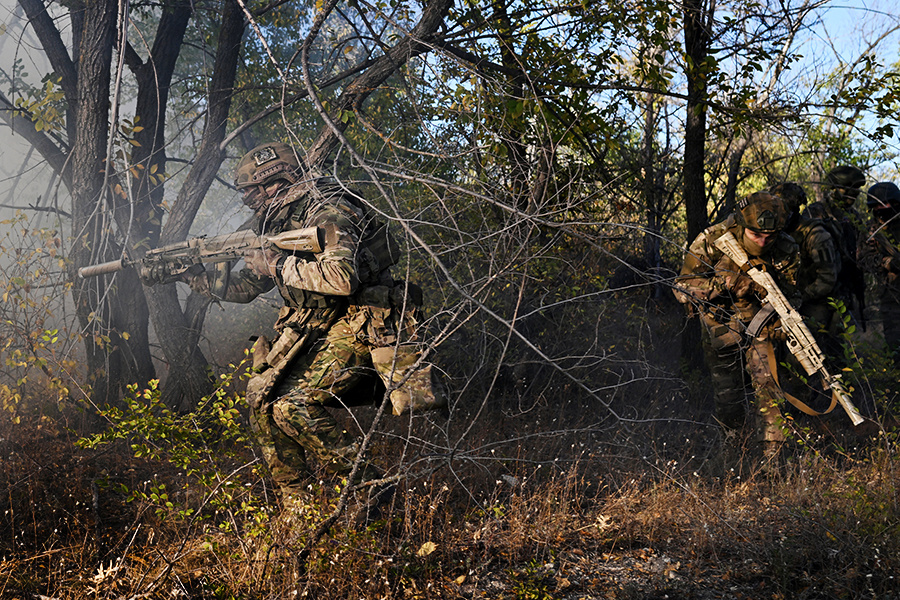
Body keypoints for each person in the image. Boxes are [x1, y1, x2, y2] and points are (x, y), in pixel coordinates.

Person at [148, 142, 443, 498]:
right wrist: (191, 275)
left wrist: (276, 265)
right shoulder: (279, 220)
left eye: (250, 191)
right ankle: (298, 507)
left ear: (276, 181)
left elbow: (342, 278)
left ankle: (371, 487)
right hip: (318, 324)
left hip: (363, 319)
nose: (245, 199)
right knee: (260, 398)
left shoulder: (329, 209)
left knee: (292, 405)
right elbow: (244, 288)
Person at [674, 191, 802, 460]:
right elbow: (682, 288)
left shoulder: (787, 247)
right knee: (728, 398)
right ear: (742, 225)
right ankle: (734, 457)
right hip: (721, 326)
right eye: (756, 235)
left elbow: (794, 293)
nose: (763, 242)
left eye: (770, 237)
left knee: (770, 393)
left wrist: (781, 317)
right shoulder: (712, 239)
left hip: (763, 327)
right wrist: (726, 284)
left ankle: (772, 463)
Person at [770, 182, 842, 354]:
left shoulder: (816, 235)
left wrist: (799, 299)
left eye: (784, 210)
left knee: (810, 350)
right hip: (785, 299)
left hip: (815, 300)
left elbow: (827, 279)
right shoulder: (771, 230)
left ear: (794, 210)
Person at [803, 165, 868, 327]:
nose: (855, 194)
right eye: (850, 189)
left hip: (843, 289)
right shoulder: (816, 212)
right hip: (818, 289)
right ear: (836, 188)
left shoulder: (854, 217)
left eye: (857, 190)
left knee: (838, 341)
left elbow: (860, 250)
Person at [859, 181, 900, 363]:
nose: (880, 208)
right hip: (890, 293)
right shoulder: (871, 230)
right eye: (875, 205)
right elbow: (863, 259)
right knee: (895, 340)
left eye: (883, 203)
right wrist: (886, 263)